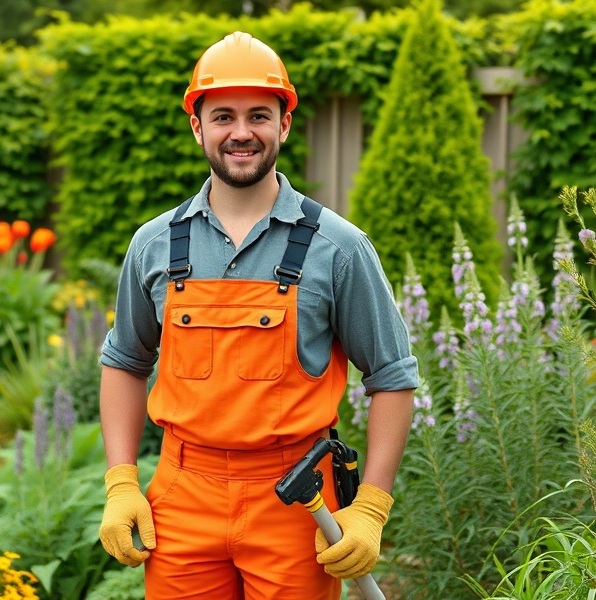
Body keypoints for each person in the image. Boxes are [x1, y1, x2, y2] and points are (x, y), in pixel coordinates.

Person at [98, 31, 418, 600]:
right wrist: (121, 482)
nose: (241, 132)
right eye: (222, 115)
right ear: (197, 126)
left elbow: (392, 377)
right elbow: (125, 361)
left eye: (259, 116)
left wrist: (370, 505)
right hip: (181, 493)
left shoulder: (338, 247)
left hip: (299, 500)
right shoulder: (152, 246)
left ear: (284, 125)